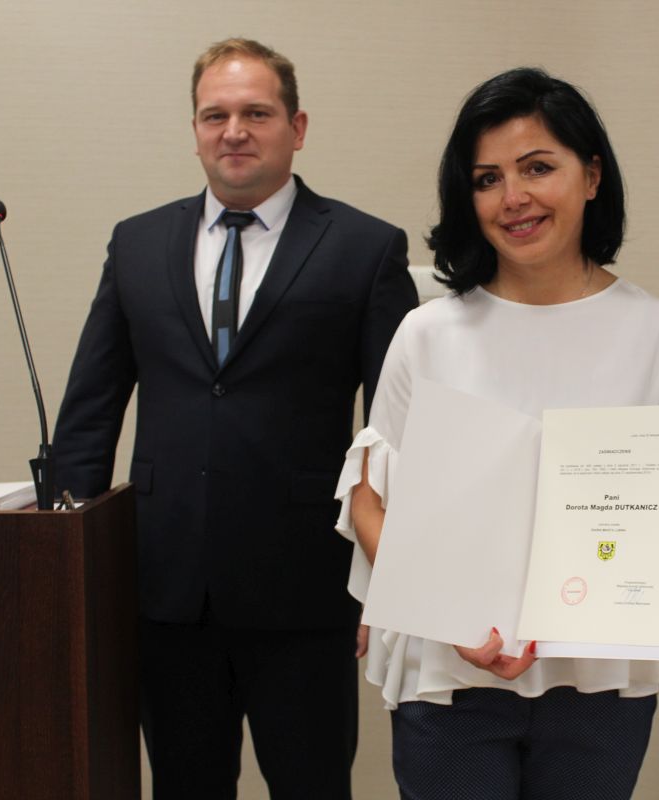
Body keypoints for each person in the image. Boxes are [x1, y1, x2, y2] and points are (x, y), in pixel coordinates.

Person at [334, 67, 659, 800]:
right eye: (488, 179)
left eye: (538, 168)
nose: (512, 197)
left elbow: (658, 518)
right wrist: (450, 616)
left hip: (598, 673)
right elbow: (368, 503)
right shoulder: (427, 332)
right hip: (450, 668)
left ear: (592, 176)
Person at [51, 38, 417, 799]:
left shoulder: (365, 247)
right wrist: (62, 553)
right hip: (166, 591)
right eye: (215, 115)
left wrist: (394, 579)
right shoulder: (137, 243)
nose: (234, 131)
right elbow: (91, 408)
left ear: (297, 126)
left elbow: (398, 431)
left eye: (257, 113)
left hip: (306, 592)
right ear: (195, 130)